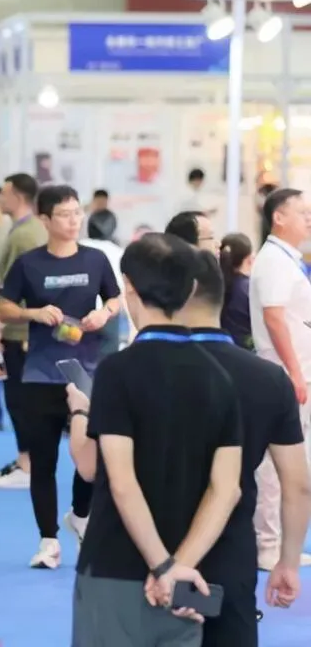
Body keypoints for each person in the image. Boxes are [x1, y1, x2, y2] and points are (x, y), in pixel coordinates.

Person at [66, 233, 242, 646]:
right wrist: (178, 566)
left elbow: (118, 480)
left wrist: (78, 412)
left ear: (129, 286)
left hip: (115, 567)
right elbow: (226, 489)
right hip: (188, 578)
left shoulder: (117, 371)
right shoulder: (220, 377)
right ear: (191, 289)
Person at [179, 251, 308, 645]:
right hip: (232, 547)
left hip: (156, 547)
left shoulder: (142, 370)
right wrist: (288, 560)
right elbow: (298, 484)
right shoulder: (269, 378)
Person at [0, 184, 121, 568]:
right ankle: (48, 540)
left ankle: (80, 515)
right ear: (45, 220)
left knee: (92, 456)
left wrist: (104, 313)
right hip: (40, 370)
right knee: (43, 458)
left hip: (85, 371)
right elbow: (3, 306)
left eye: (77, 212)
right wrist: (33, 313)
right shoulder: (29, 263)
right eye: (64, 214)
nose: (73, 220)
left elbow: (115, 298)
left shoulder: (96, 259)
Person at [249, 187, 311, 571]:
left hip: (297, 369)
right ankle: (267, 545)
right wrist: (295, 372)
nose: (309, 219)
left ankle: (285, 542)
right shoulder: (273, 260)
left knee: (295, 462)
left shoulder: (289, 259)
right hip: (286, 372)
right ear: (279, 217)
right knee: (276, 465)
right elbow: (273, 318)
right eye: (303, 212)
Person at [0, 173, 48, 490]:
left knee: (21, 400)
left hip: (21, 331)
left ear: (18, 196)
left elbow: (20, 288)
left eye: (4, 192)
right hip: (23, 329)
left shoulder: (26, 235)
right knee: (22, 400)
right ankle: (27, 461)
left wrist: (0, 325)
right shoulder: (26, 230)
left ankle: (28, 464)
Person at [80, 208, 126, 358]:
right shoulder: (119, 252)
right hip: (109, 315)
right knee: (107, 364)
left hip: (80, 315)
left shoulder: (78, 247)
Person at [218, 233, 254, 350]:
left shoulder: (215, 286)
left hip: (219, 348)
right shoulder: (250, 289)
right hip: (246, 351)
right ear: (250, 259)